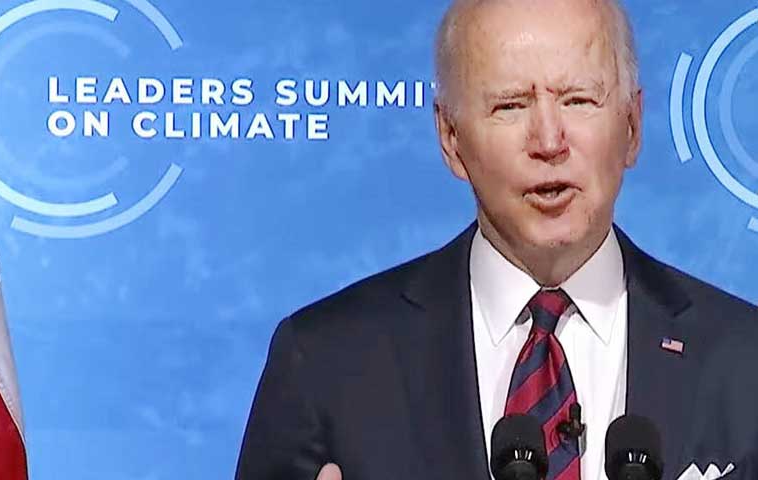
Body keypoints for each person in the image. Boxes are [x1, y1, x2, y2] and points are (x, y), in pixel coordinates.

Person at [236, 0, 758, 479]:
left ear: (633, 126)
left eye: (578, 100)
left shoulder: (744, 360)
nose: (549, 141)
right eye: (510, 106)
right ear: (451, 138)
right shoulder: (326, 363)